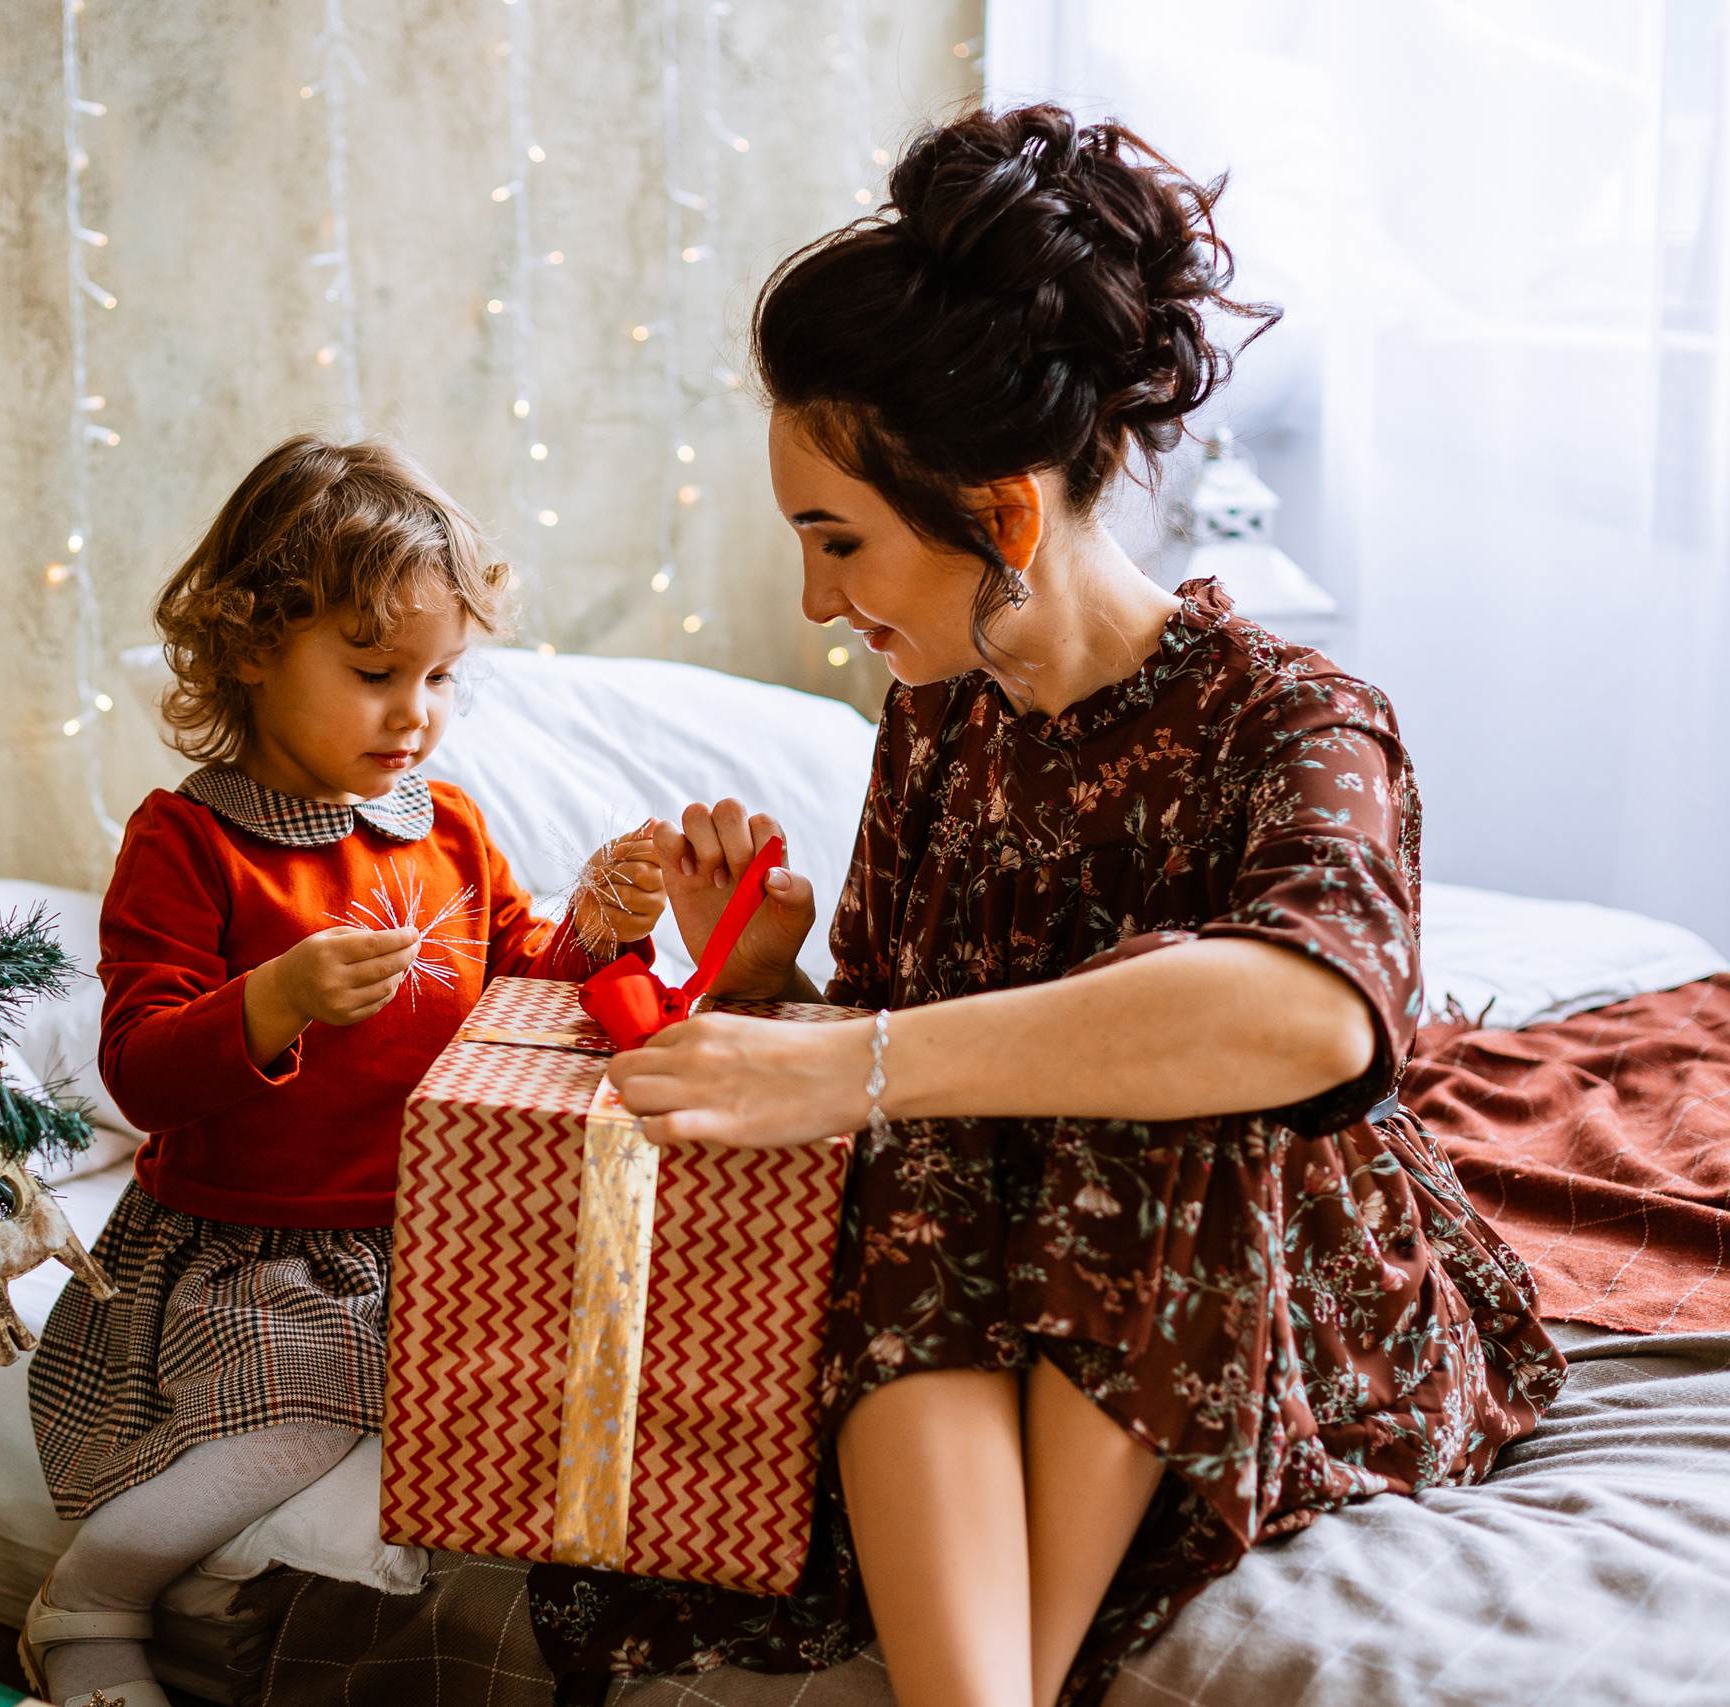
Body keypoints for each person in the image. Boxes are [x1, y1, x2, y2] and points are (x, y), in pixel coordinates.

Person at [528, 106, 1567, 1707]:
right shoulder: (940, 714)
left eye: (840, 540)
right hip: (989, 1273)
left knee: (1169, 1025)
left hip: (1258, 1289)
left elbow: (1313, 1011)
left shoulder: (1298, 719)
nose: (817, 600)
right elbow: (894, 1050)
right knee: (919, 1113)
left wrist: (854, 1062)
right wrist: (776, 975)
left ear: (1003, 516)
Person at [24, 434, 665, 1707]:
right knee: (309, 1410)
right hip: (260, 1245)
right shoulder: (191, 842)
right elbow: (141, 1070)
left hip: (439, 1229)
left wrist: (595, 926)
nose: (414, 712)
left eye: (438, 677)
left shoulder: (448, 825)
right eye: (375, 672)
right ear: (251, 646)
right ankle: (90, 1602)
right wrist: (269, 1000)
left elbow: (518, 990)